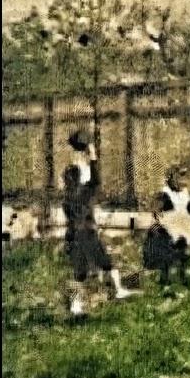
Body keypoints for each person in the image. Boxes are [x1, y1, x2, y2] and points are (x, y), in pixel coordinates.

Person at [63, 130, 140, 316]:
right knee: (84, 269)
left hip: (83, 230)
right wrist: (90, 158)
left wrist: (91, 157)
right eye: (83, 154)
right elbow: (88, 182)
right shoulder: (75, 179)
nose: (84, 157)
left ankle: (112, 292)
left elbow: (93, 179)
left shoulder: (81, 183)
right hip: (81, 231)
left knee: (96, 264)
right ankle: (77, 305)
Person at [143, 164, 190, 285]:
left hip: (181, 229)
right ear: (171, 179)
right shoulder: (164, 194)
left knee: (184, 246)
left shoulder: (185, 193)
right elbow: (157, 214)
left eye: (184, 177)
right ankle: (165, 278)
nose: (183, 181)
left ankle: (183, 276)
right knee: (166, 246)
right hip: (166, 231)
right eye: (179, 177)